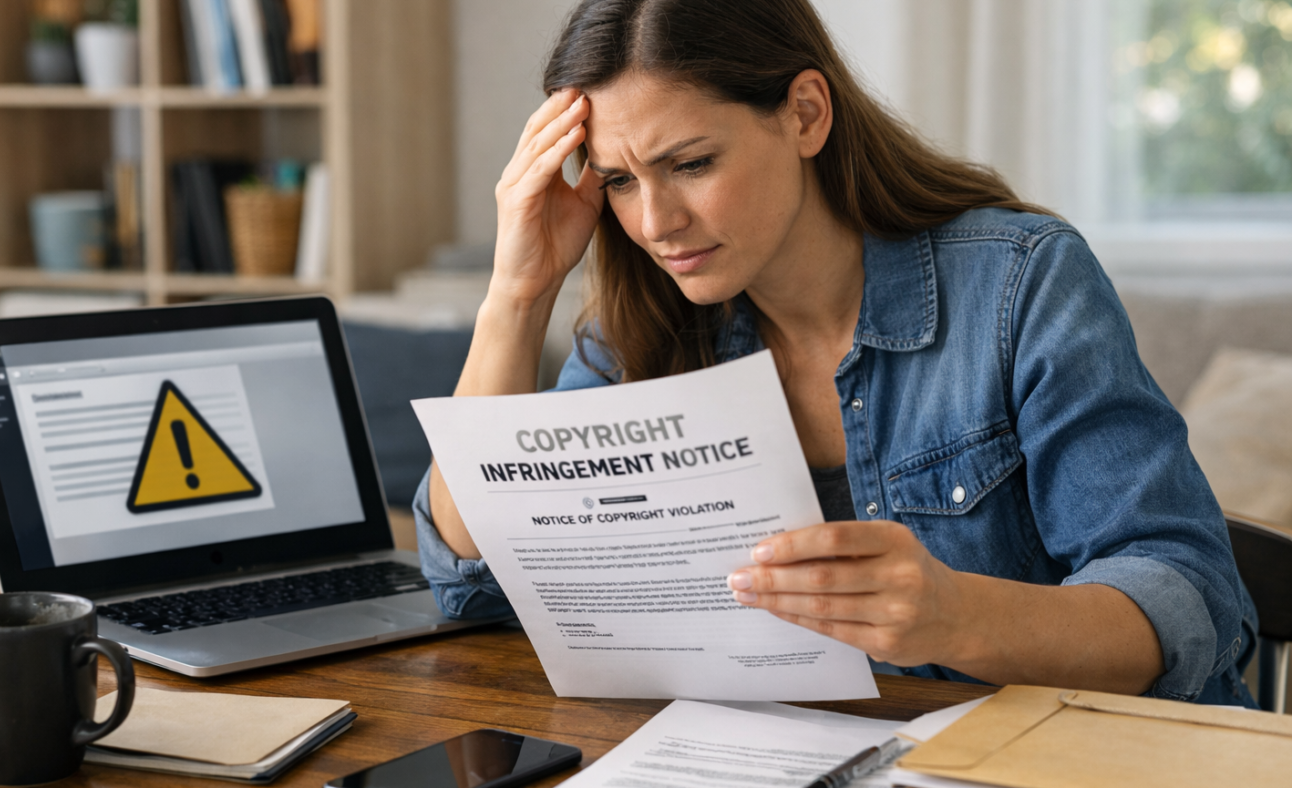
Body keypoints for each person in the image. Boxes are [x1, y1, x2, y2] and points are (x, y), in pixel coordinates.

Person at [413, 0, 1258, 706]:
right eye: (621, 181)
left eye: (692, 163)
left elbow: (1189, 593)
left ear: (806, 114)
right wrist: (517, 296)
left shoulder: (1018, 284)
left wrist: (958, 614)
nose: (654, 223)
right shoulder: (642, 330)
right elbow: (469, 580)